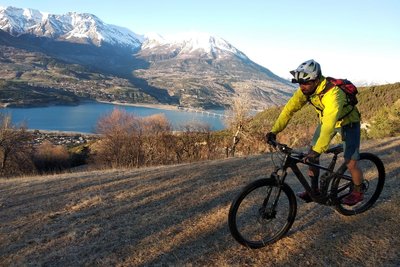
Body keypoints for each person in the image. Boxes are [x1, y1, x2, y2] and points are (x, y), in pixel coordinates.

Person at [265, 59, 364, 206]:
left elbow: (329, 124)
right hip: (327, 122)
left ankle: (358, 191)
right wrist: (274, 131)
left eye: (305, 83)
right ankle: (314, 190)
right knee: (311, 156)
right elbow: (289, 110)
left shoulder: (333, 94)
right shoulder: (306, 90)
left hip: (348, 123)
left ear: (316, 80)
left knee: (351, 163)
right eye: (299, 83)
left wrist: (318, 150)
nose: (302, 87)